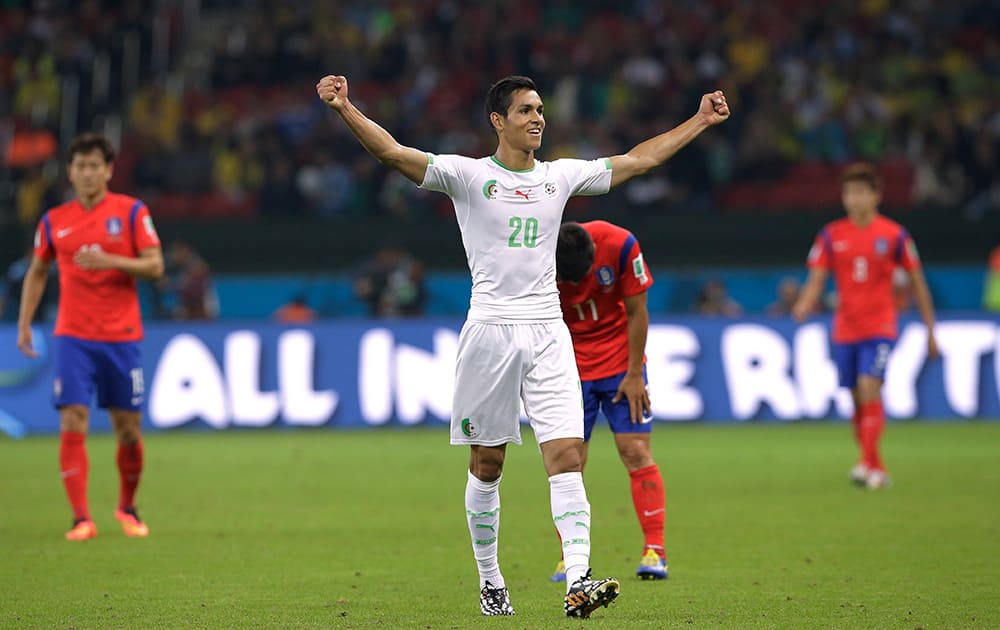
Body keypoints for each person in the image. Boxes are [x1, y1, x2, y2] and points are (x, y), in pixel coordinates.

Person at [316, 72, 729, 617]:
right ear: (498, 121)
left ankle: (577, 580)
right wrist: (346, 108)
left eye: (540, 109)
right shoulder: (466, 176)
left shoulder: (559, 177)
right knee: (487, 464)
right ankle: (491, 582)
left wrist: (699, 120)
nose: (537, 118)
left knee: (567, 455)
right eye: (525, 110)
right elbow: (393, 153)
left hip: (549, 332)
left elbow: (638, 160)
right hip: (490, 331)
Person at [16, 133, 165, 540]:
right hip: (73, 337)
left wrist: (110, 260)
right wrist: (25, 322)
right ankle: (81, 518)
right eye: (79, 166)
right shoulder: (54, 221)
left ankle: (127, 507)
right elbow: (38, 271)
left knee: (128, 429)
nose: (86, 173)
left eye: (94, 166)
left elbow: (155, 267)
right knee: (73, 418)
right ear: (69, 172)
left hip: (121, 336)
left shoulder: (132, 212)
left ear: (109, 170)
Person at [792, 162, 938, 490]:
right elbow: (818, 277)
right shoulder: (831, 235)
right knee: (857, 399)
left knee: (870, 386)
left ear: (876, 196)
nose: (854, 199)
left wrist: (930, 330)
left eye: (861, 192)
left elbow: (918, 284)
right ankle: (875, 464)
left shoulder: (895, 235)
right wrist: (804, 303)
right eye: (848, 193)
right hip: (845, 328)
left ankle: (865, 463)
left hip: (881, 326)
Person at [553, 220, 668, 583]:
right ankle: (569, 559)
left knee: (634, 450)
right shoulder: (537, 252)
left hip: (620, 362)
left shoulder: (620, 244)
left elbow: (637, 311)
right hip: (568, 366)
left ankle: (655, 551)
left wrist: (635, 373)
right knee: (568, 461)